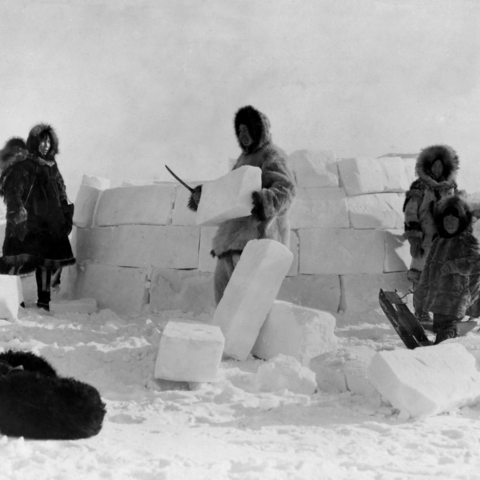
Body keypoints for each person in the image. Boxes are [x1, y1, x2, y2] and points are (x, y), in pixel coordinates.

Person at [188, 105, 296, 304]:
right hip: (231, 243)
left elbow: (287, 188)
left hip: (257, 240)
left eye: (247, 130)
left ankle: (251, 336)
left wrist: (266, 200)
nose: (242, 135)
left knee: (247, 307)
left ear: (259, 130)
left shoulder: (272, 155)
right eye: (239, 131)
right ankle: (224, 335)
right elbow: (230, 193)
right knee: (224, 304)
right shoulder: (243, 159)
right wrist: (204, 197)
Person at [0, 124, 75, 311]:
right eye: (42, 141)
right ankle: (10, 300)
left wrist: (65, 212)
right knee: (16, 262)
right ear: (35, 142)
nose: (46, 145)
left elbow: (60, 190)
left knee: (46, 262)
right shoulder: (25, 164)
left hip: (50, 223)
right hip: (28, 223)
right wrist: (17, 212)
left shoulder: (52, 166)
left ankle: (44, 300)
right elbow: (13, 190)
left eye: (49, 141)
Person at [403, 145, 459, 322]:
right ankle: (421, 311)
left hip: (444, 240)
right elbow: (411, 212)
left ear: (446, 168)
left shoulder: (450, 187)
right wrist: (414, 238)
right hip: (425, 239)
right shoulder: (419, 186)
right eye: (434, 166)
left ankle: (440, 313)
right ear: (428, 166)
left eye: (440, 166)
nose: (437, 169)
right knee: (421, 274)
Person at [414, 195, 480, 345]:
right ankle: (442, 351)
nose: (449, 223)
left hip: (457, 297)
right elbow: (428, 270)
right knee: (439, 328)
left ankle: (442, 354)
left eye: (453, 220)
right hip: (437, 297)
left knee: (447, 330)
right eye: (446, 220)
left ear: (461, 221)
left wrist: (454, 266)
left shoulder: (467, 241)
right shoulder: (439, 241)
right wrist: (420, 293)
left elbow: (477, 263)